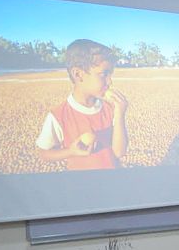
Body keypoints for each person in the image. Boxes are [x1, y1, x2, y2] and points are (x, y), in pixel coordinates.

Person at [36, 39, 129, 171]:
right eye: (104, 74)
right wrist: (70, 152)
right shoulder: (59, 115)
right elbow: (44, 153)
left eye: (110, 75)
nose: (110, 82)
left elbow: (120, 152)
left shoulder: (110, 108)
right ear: (78, 74)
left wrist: (120, 114)